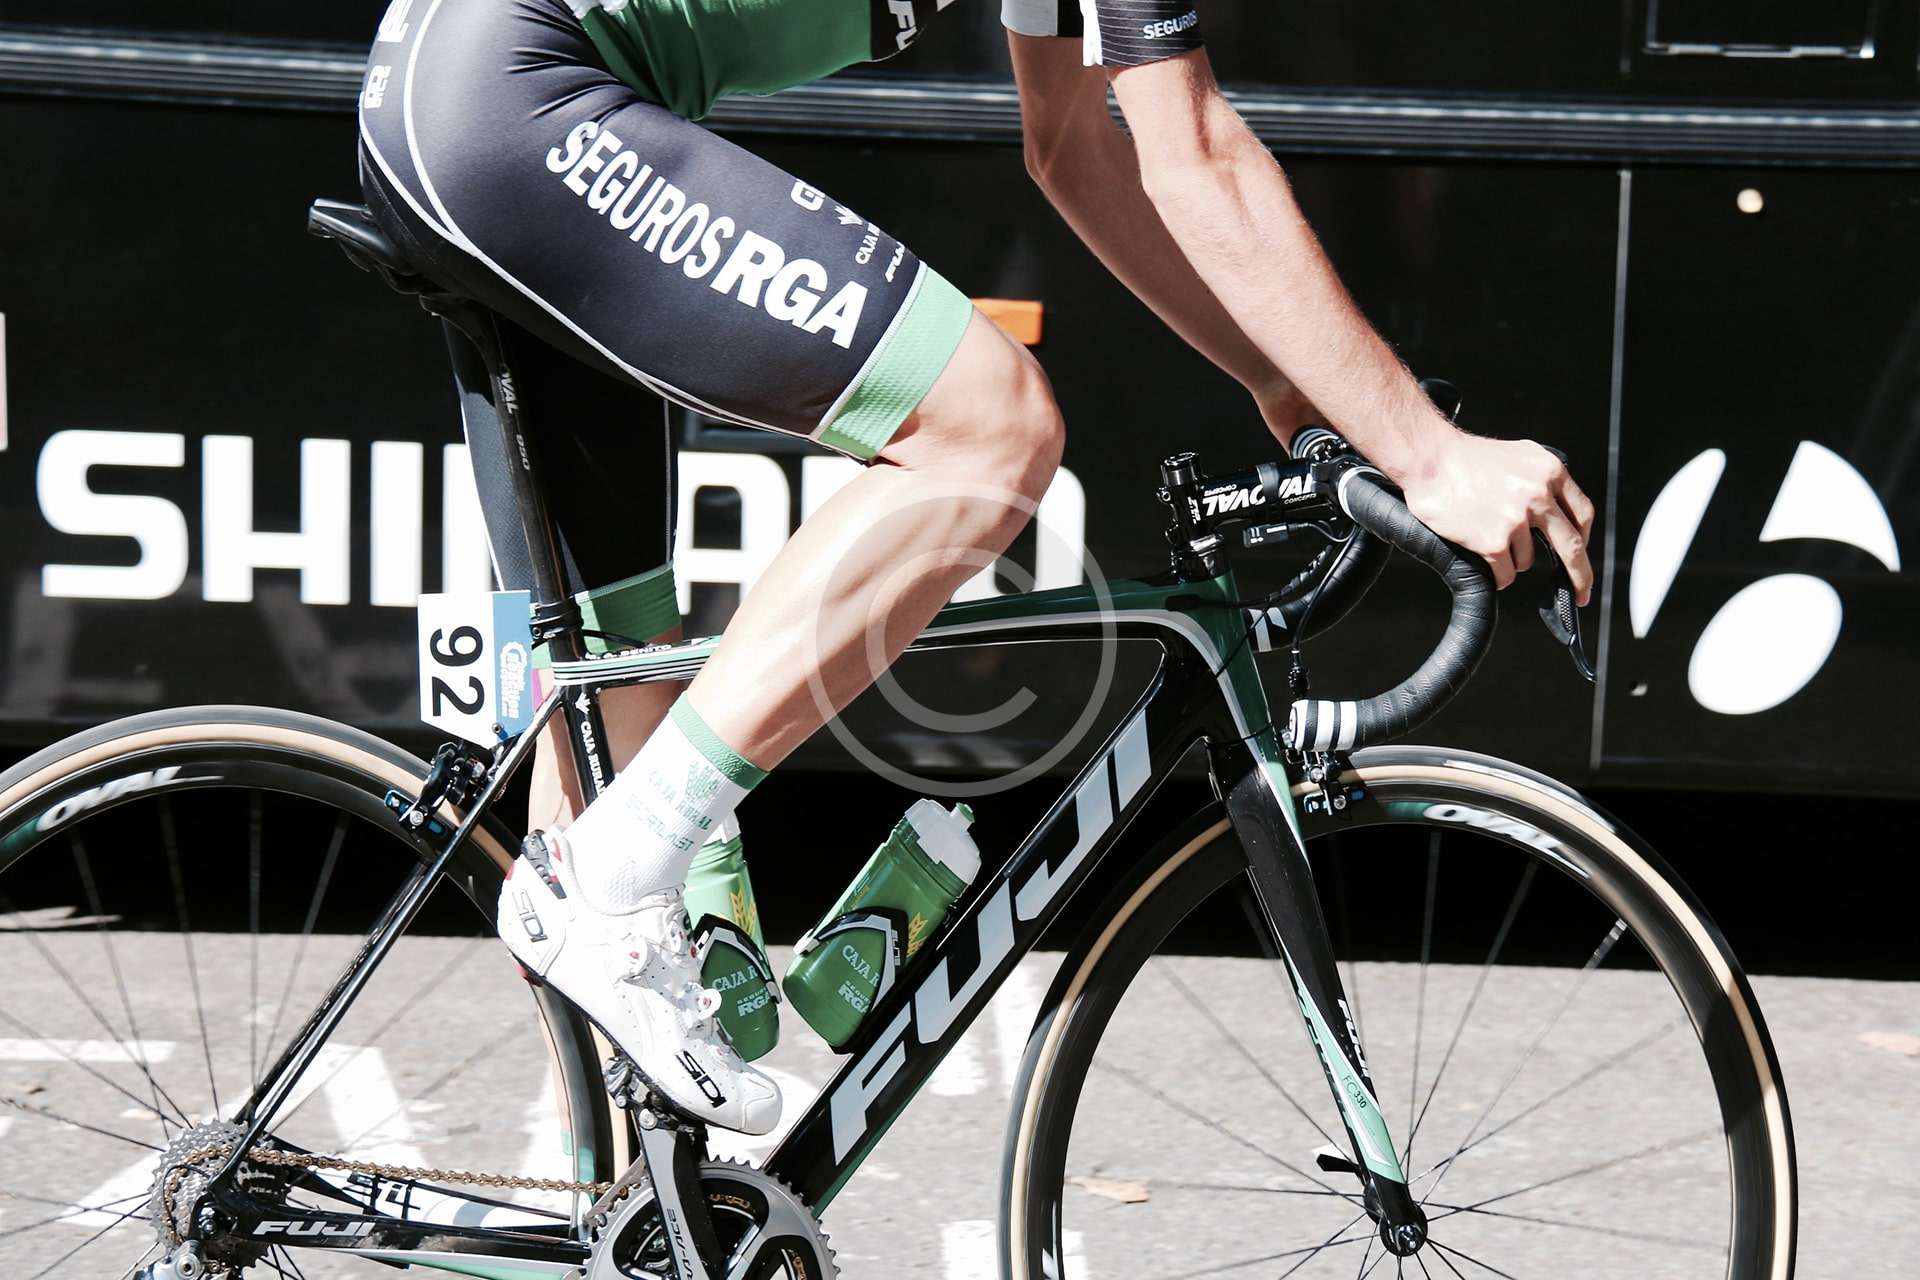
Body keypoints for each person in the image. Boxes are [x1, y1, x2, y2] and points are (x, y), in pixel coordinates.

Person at [356, 0, 1595, 1136]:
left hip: (475, 95)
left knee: (623, 726)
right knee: (991, 426)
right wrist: (1427, 452)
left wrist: (1284, 379)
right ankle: (616, 869)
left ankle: (593, 1200)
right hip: (516, 96)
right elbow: (1196, 154)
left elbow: (1073, 142)